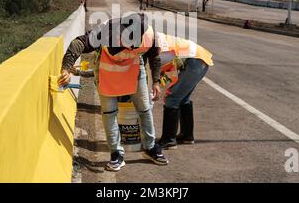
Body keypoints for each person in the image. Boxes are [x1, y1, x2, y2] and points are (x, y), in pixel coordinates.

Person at [58, 13, 168, 172]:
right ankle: (116, 154)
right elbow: (79, 42)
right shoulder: (106, 31)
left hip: (134, 70)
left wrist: (156, 81)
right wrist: (66, 68)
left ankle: (150, 148)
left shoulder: (149, 35)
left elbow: (154, 57)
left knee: (145, 108)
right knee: (109, 113)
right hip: (108, 72)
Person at [153, 32, 213, 149]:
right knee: (182, 98)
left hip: (196, 60)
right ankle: (187, 136)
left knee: (172, 98)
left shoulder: (154, 48)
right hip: (198, 58)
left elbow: (155, 75)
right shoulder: (151, 39)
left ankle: (169, 140)